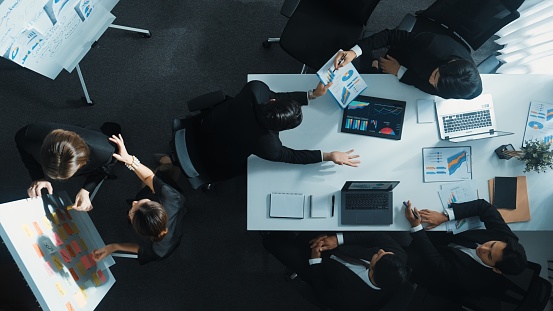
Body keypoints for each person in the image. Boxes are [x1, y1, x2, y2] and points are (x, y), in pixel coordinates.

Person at [198, 80, 360, 180]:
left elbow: (274, 96)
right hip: (214, 158)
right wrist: (329, 156)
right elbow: (291, 156)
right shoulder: (268, 145)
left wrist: (312, 95)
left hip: (204, 122)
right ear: (282, 129)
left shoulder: (255, 89)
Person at [403, 199, 527, 299]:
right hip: (447, 240)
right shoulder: (506, 239)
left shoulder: (472, 280)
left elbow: (436, 260)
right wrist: (445, 216)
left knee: (398, 254)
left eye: (489, 256)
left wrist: (416, 227)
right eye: (492, 244)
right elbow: (484, 206)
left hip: (429, 265)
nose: (483, 247)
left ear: (496, 270)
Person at [92, 134, 187, 264]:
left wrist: (115, 246)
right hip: (173, 199)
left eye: (132, 211)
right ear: (157, 205)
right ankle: (168, 164)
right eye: (145, 202)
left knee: (164, 174)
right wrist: (129, 160)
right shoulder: (172, 198)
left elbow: (142, 249)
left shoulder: (161, 249)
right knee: (160, 177)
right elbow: (149, 178)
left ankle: (168, 164)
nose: (134, 202)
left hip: (173, 217)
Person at [263, 231, 410, 310]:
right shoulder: (398, 257)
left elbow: (322, 293)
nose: (381, 250)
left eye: (378, 255)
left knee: (273, 243)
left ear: (372, 272)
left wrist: (315, 260)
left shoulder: (354, 302)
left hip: (318, 269)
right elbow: (376, 235)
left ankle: (269, 235)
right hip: (338, 246)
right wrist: (337, 239)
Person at [334, 29, 482, 99]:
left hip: (403, 71)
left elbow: (429, 88)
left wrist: (401, 72)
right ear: (446, 65)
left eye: (435, 84)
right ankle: (372, 63)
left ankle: (373, 66)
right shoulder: (431, 45)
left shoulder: (470, 90)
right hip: (408, 56)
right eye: (435, 75)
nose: (430, 81)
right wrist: (354, 52)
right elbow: (390, 36)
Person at [15, 122, 117, 211]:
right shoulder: (28, 135)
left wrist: (87, 189)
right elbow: (22, 146)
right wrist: (38, 178)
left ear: (84, 162)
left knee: (112, 129)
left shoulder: (105, 150)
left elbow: (107, 165)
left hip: (96, 140)